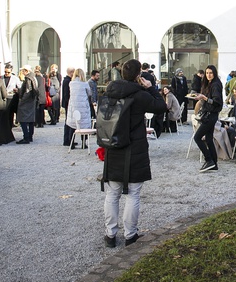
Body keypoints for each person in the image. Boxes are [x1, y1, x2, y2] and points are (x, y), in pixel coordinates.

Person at [102, 59, 167, 248]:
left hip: (114, 145)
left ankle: (110, 235)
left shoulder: (110, 91)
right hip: (135, 147)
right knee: (133, 193)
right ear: (138, 75)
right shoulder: (140, 95)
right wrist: (151, 87)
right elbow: (161, 107)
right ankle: (130, 235)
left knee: (112, 193)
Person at [194, 65, 223, 173]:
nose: (208, 75)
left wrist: (204, 98)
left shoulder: (215, 85)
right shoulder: (209, 84)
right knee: (209, 139)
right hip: (209, 114)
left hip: (211, 115)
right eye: (207, 73)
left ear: (214, 73)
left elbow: (217, 102)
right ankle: (214, 164)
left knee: (197, 137)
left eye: (210, 73)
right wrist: (200, 97)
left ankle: (209, 160)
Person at [66, 68, 93, 149]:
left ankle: (71, 143)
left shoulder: (71, 83)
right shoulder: (85, 84)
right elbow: (89, 93)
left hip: (73, 106)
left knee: (73, 124)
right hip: (83, 106)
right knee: (84, 124)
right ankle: (83, 143)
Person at [16, 66, 38, 144]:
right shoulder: (33, 77)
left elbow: (28, 91)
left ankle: (26, 137)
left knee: (23, 119)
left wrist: (22, 100)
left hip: (27, 102)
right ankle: (30, 136)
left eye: (23, 71)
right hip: (32, 101)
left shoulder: (28, 78)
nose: (22, 72)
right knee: (31, 120)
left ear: (26, 71)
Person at [62, 67, 75, 146]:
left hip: (68, 103)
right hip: (68, 104)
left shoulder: (67, 80)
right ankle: (67, 140)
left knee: (68, 121)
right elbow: (66, 94)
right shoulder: (68, 81)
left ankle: (69, 139)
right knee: (68, 122)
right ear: (71, 72)